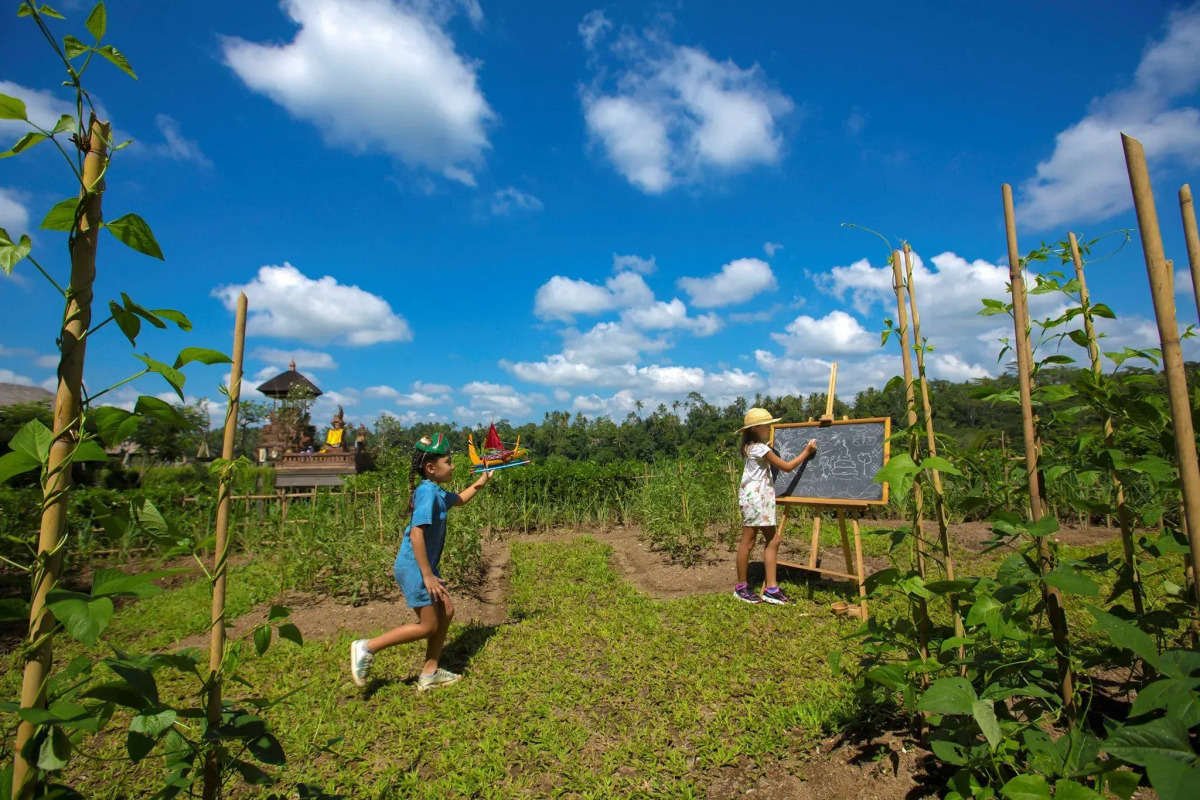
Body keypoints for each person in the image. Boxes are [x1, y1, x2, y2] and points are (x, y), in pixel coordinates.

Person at [349, 433, 491, 690]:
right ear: (431, 468)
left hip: (422, 566)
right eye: (448, 462)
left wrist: (483, 480)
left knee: (446, 612)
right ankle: (367, 647)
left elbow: (459, 500)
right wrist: (427, 574)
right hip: (417, 568)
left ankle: (430, 672)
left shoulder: (435, 491)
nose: (453, 466)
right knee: (428, 626)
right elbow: (416, 534)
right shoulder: (427, 494)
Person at [733, 408, 817, 605]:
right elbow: (787, 467)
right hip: (758, 498)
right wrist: (807, 451)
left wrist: (767, 448)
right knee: (750, 540)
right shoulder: (760, 449)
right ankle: (743, 587)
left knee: (772, 539)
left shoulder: (751, 447)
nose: (770, 428)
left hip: (756, 497)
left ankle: (770, 588)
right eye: (767, 425)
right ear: (756, 428)